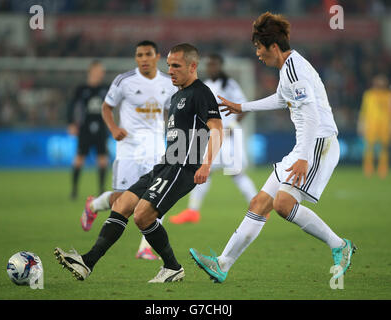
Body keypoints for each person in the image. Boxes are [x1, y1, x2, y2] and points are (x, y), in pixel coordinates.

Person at [190, 12, 356, 283]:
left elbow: (312, 114)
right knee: (259, 203)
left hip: (317, 145)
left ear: (274, 47)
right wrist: (242, 107)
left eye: (259, 47)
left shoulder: (294, 70)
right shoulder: (289, 69)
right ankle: (222, 264)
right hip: (305, 145)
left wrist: (303, 158)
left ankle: (339, 245)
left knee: (283, 204)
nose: (257, 53)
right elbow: (281, 99)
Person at [55, 43, 223, 283]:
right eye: (169, 66)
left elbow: (217, 129)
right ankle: (87, 262)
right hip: (165, 164)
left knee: (143, 216)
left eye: (176, 66)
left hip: (182, 168)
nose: (171, 71)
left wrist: (206, 164)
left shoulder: (201, 93)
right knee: (122, 203)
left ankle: (172, 268)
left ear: (193, 66)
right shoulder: (176, 96)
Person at [79, 40, 177, 261]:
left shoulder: (167, 83)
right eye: (139, 55)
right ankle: (94, 204)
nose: (143, 59)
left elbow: (171, 112)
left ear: (157, 56)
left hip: (155, 148)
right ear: (136, 58)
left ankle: (145, 248)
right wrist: (113, 128)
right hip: (129, 148)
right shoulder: (124, 81)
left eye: (147, 54)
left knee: (156, 198)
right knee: (122, 200)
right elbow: (106, 107)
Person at [169, 53, 258, 224]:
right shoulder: (206, 85)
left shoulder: (229, 85)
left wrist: (232, 126)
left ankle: (258, 206)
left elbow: (243, 107)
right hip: (213, 136)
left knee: (234, 173)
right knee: (206, 172)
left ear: (220, 65)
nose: (211, 68)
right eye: (209, 65)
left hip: (229, 136)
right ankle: (193, 211)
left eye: (214, 64)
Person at [67, 60, 109, 200]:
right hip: (85, 127)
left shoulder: (106, 88)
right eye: (98, 71)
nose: (100, 74)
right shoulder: (81, 89)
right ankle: (74, 190)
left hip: (101, 127)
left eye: (101, 71)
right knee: (79, 159)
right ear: (91, 72)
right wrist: (71, 123)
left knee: (102, 159)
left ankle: (102, 190)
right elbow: (72, 106)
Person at [358, 74, 391, 179]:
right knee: (369, 147)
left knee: (384, 148)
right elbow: (364, 111)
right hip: (371, 124)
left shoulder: (388, 95)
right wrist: (361, 124)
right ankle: (368, 169)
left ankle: (382, 169)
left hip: (385, 124)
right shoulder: (369, 95)